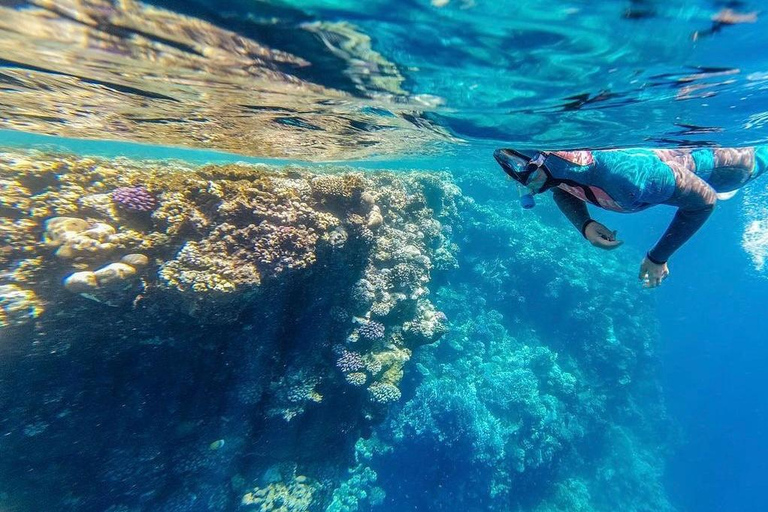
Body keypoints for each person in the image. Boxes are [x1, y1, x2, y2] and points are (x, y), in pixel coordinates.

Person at [493, 146, 768, 288]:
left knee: (762, 160)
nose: (514, 180)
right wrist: (585, 225)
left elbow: (704, 202)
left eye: (517, 170)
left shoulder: (629, 177)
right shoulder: (560, 169)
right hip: (684, 160)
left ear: (541, 162)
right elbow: (562, 187)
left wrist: (657, 257)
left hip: (727, 166)